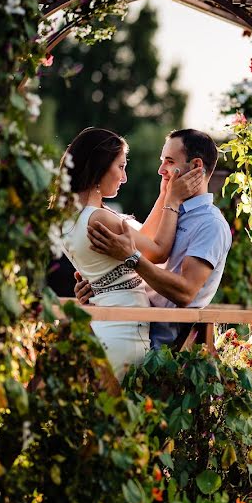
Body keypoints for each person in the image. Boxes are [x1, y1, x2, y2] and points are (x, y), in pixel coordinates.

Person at [57, 127, 202, 380]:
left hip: (105, 327)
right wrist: (173, 201)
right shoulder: (100, 218)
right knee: (129, 412)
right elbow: (156, 251)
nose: (124, 177)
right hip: (125, 331)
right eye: (120, 167)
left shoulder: (72, 218)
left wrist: (163, 195)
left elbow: (141, 238)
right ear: (100, 167)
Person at [76, 128, 232, 352]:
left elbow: (185, 292)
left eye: (169, 161)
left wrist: (130, 258)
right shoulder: (171, 211)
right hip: (129, 323)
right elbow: (145, 249)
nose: (160, 170)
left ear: (196, 166)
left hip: (161, 344)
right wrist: (100, 285)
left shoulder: (210, 224)